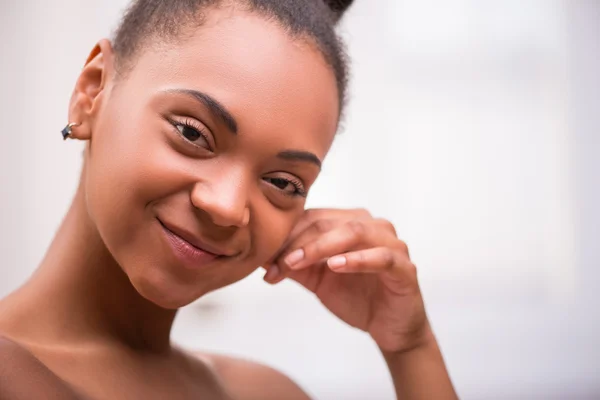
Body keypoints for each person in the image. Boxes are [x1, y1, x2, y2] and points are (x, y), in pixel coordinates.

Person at [0, 0, 458, 398]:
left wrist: (410, 347)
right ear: (92, 90)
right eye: (192, 133)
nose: (227, 205)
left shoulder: (270, 394)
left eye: (283, 183)